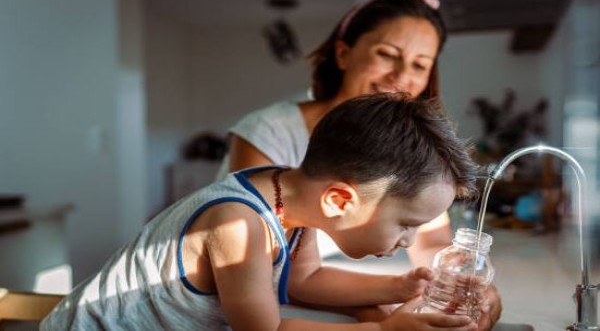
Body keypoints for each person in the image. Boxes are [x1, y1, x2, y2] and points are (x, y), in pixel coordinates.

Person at [42, 93, 482, 330]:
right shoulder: (239, 223)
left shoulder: (287, 197)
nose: (408, 242)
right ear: (340, 201)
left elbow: (305, 280)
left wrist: (397, 287)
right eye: (406, 225)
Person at [217, 0, 502, 328]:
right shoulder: (269, 133)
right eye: (386, 54)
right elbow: (267, 276)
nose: (401, 75)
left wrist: (463, 288)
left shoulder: (412, 147)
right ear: (343, 53)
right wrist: (372, 315)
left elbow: (431, 242)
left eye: (420, 65)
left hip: (324, 281)